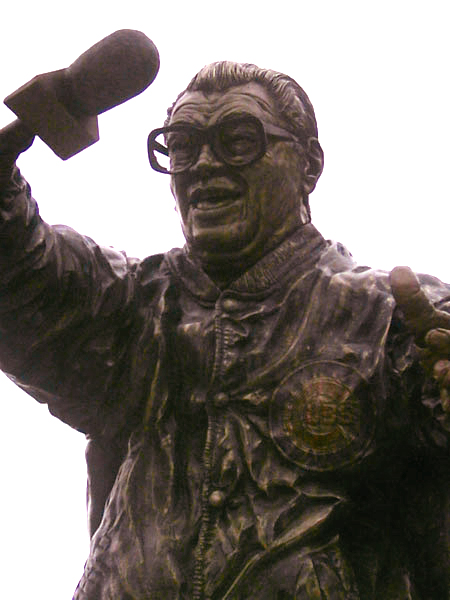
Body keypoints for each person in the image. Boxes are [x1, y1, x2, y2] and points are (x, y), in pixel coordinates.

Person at [1, 61, 450, 600]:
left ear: (308, 166)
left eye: (239, 139)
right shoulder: (133, 305)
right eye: (182, 145)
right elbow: (24, 278)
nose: (204, 163)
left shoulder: (394, 316)